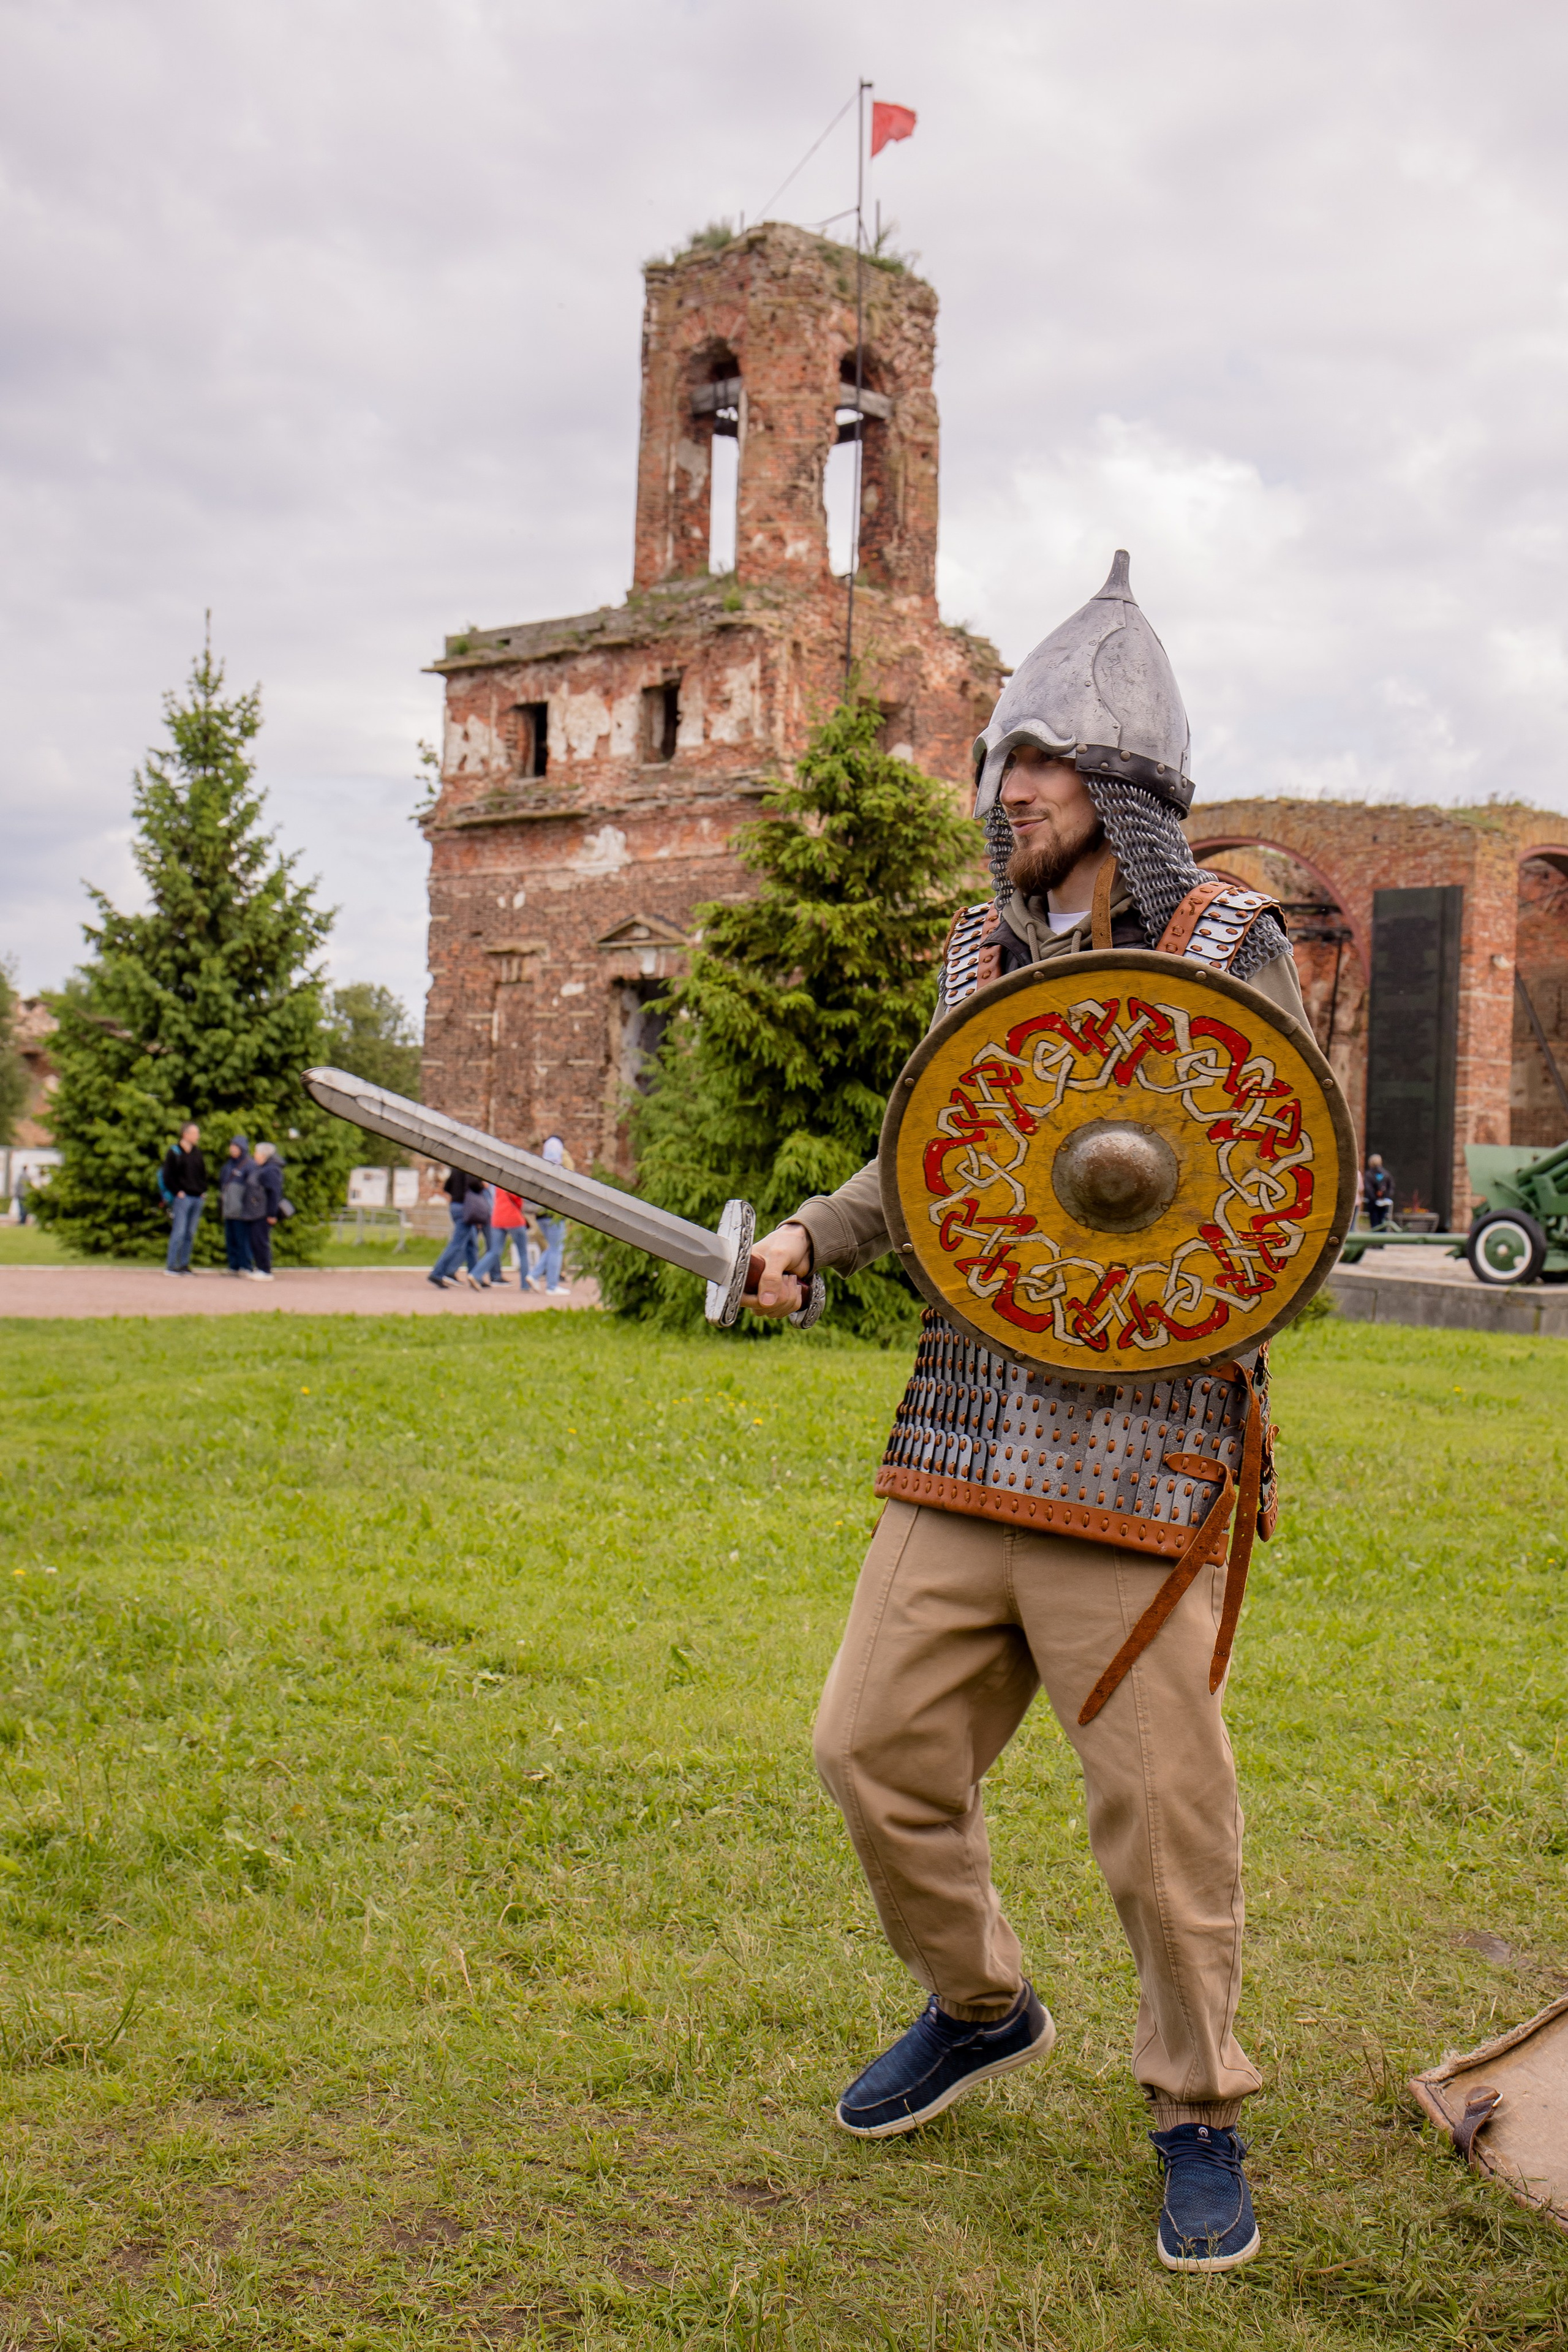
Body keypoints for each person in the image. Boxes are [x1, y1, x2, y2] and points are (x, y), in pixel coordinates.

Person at [745, 555, 1311, 2274]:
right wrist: (810, 1235)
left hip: (1140, 1449)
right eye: (1004, 761)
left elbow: (1281, 1179)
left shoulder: (1224, 945)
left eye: (1046, 765)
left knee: (1158, 1820)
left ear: (1125, 788)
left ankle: (1195, 2107)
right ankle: (980, 2003)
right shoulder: (977, 951)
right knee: (869, 1749)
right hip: (967, 1423)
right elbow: (933, 1154)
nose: (1011, 792)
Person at [161, 1121, 207, 1276]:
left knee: (190, 1233)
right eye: (195, 1133)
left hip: (197, 1197)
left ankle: (184, 1265)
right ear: (185, 1134)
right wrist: (177, 1192)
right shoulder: (174, 1152)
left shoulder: (197, 1152)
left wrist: (203, 1191)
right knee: (179, 1232)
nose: (198, 1136)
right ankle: (171, 1266)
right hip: (183, 1198)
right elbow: (167, 1176)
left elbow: (202, 1174)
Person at [529, 1134, 571, 1295]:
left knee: (552, 1247)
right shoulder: (560, 1170)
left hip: (540, 1214)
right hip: (555, 1214)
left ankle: (534, 1275)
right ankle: (552, 1286)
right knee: (556, 1249)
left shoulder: (540, 1168)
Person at [428, 1168, 484, 1289]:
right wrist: (482, 1185)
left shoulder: (456, 1168)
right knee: (457, 1244)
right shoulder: (471, 1168)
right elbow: (474, 1183)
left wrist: (456, 1194)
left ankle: (475, 1276)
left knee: (471, 1245)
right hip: (466, 1208)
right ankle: (437, 1273)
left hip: (455, 1206)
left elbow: (447, 1187)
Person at [247, 1142, 285, 1281]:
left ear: (264, 1155)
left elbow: (274, 1193)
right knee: (256, 1240)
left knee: (261, 1241)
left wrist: (272, 1214)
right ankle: (260, 1267)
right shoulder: (262, 1168)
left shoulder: (271, 1170)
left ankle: (265, 1270)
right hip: (257, 1211)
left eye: (256, 1153)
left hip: (264, 1212)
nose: (254, 1155)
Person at [219, 1137, 257, 1275]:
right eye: (232, 1146)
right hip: (229, 1209)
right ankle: (233, 1266)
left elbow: (253, 1188)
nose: (233, 1149)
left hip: (242, 1211)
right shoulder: (228, 1166)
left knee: (243, 1240)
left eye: (236, 1146)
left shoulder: (250, 1165)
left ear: (243, 1148)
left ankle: (246, 1266)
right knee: (231, 1240)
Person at [481, 1186, 526, 1286]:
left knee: (494, 1251)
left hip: (497, 1218)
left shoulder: (497, 1185)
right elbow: (518, 1201)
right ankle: (525, 1284)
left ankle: (476, 1274)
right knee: (523, 1253)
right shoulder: (515, 1184)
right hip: (513, 1217)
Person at [1363, 1153, 1395, 1230]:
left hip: (1373, 1203)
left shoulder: (1368, 1174)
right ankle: (1382, 1236)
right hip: (1384, 1202)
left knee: (1374, 1224)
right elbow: (1391, 1186)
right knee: (1383, 1222)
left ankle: (1375, 1236)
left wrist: (1374, 1198)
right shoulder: (1386, 1174)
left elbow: (1368, 1188)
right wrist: (1386, 1196)